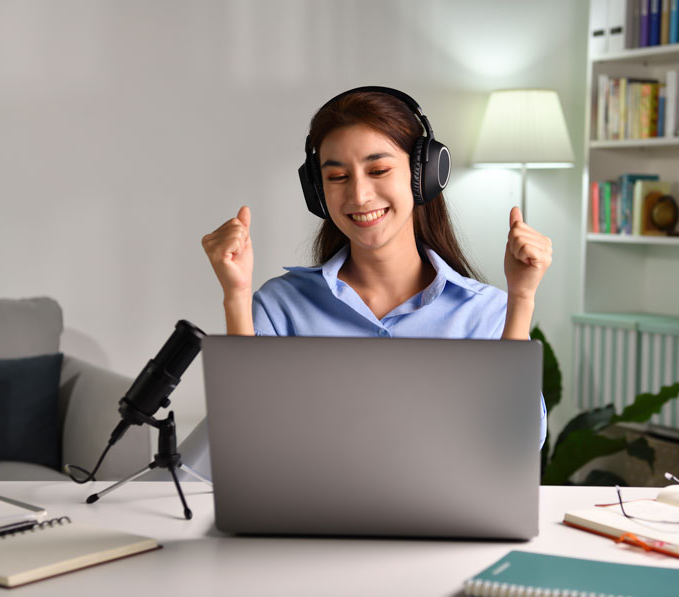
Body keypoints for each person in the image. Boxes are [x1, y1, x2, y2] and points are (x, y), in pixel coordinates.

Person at [201, 87, 553, 447]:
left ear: (423, 175)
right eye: (338, 177)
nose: (359, 195)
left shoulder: (485, 312)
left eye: (379, 170)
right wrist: (236, 294)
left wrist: (522, 297)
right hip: (312, 504)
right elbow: (240, 437)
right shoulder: (281, 306)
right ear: (318, 192)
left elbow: (518, 444)